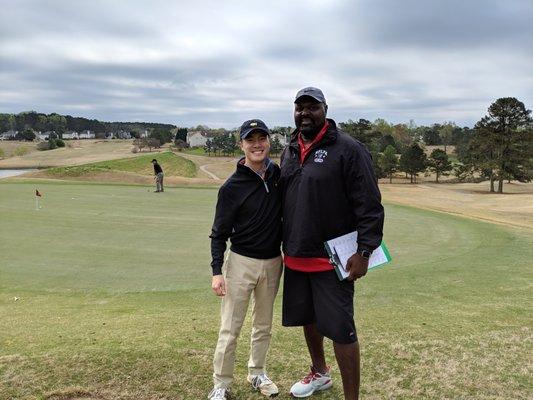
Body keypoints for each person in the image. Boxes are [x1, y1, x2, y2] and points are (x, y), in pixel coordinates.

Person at [280, 87, 384, 400]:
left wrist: (364, 251)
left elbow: (369, 204)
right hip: (296, 256)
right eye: (299, 108)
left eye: (312, 107)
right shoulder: (290, 149)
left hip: (333, 260)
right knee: (308, 319)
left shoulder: (348, 148)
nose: (304, 113)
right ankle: (320, 373)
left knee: (340, 328)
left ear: (325, 109)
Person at [208, 119, 283, 400]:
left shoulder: (277, 175)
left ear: (268, 142)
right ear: (241, 145)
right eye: (250, 140)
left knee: (263, 325)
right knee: (231, 328)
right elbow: (219, 234)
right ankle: (221, 384)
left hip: (274, 261)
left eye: (261, 138)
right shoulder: (231, 187)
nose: (256, 144)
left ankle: (257, 373)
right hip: (241, 262)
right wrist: (217, 271)